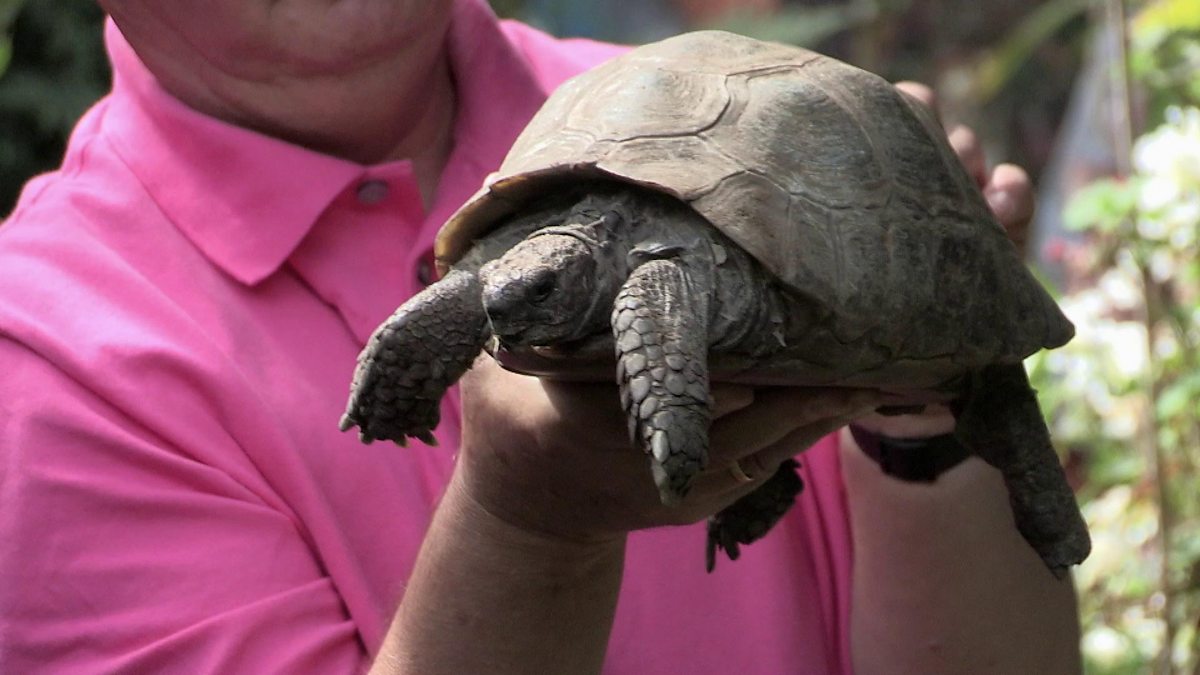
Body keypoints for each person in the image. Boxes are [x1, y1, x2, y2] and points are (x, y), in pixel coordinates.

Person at [0, 0, 1081, 673]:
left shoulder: (718, 90)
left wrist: (930, 398)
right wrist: (528, 528)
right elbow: (500, 290)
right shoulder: (47, 365)